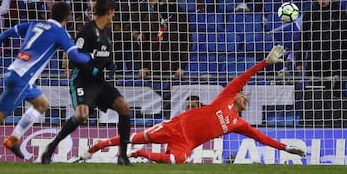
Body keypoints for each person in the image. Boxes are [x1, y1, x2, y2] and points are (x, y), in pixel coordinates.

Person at [80, 46, 306, 164]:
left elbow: (261, 137)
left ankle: (139, 154)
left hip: (186, 143)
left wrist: (285, 148)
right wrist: (265, 63)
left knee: (175, 160)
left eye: (246, 100)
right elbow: (244, 77)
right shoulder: (226, 96)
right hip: (176, 127)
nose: (245, 98)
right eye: (243, 95)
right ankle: (94, 148)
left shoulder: (237, 123)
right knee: (131, 136)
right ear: (236, 95)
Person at [0, 2, 93, 165]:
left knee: (42, 104)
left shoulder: (35, 24)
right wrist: (90, 57)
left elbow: (11, 31)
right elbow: (75, 57)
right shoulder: (60, 33)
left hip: (16, 72)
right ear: (67, 18)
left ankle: (13, 139)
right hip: (23, 79)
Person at [41, 0, 132, 166]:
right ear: (110, 11)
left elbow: (105, 56)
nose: (114, 16)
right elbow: (75, 59)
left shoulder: (107, 32)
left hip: (99, 82)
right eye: (113, 12)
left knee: (123, 107)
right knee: (82, 114)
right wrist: (93, 70)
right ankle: (51, 147)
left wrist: (111, 66)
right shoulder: (86, 31)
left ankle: (123, 155)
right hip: (82, 80)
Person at [296, 0, 347, 126]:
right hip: (315, 63)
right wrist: (299, 61)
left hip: (337, 63)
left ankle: (336, 125)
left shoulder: (341, 15)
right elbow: (302, 40)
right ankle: (314, 124)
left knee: (335, 95)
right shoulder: (310, 15)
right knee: (315, 93)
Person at [137, 0, 190, 118]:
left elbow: (186, 44)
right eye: (163, 2)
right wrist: (143, 66)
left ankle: (167, 118)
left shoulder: (181, 17)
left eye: (169, 2)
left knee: (170, 95)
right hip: (152, 66)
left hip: (173, 66)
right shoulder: (151, 17)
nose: (166, 4)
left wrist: (182, 66)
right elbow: (143, 45)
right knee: (162, 94)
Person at [108, 0, 140, 72]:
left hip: (133, 42)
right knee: (116, 71)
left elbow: (140, 18)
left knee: (135, 69)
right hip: (116, 42)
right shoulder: (109, 0)